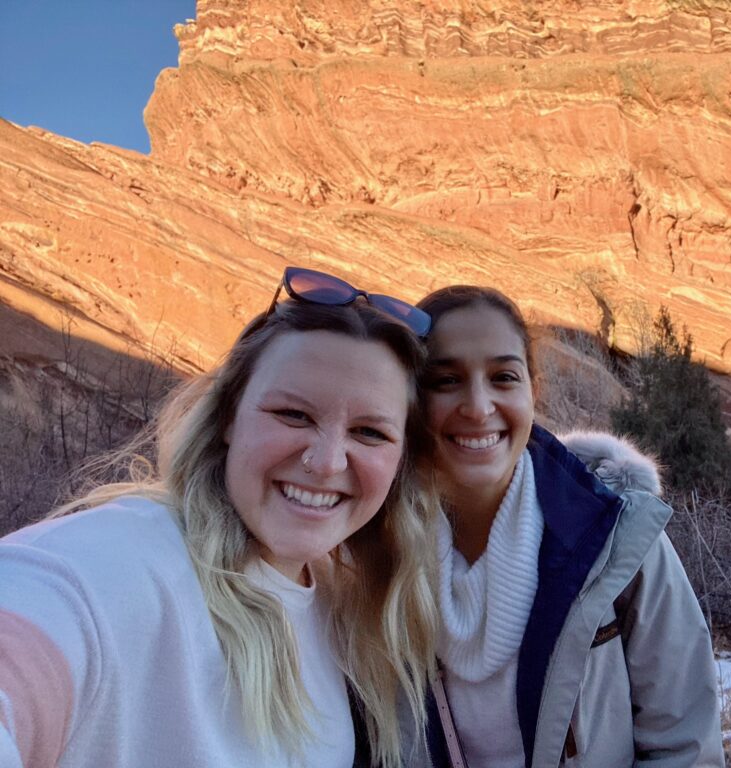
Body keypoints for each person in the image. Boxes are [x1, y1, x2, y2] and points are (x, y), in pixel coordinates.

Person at [0, 266, 439, 768]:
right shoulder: (124, 560)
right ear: (229, 416)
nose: (327, 462)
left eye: (369, 433)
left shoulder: (341, 604)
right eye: (293, 415)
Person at [413, 285, 725, 768]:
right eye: (445, 380)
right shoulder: (369, 547)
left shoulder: (616, 539)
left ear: (533, 389)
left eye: (503, 377)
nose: (478, 406)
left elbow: (685, 745)